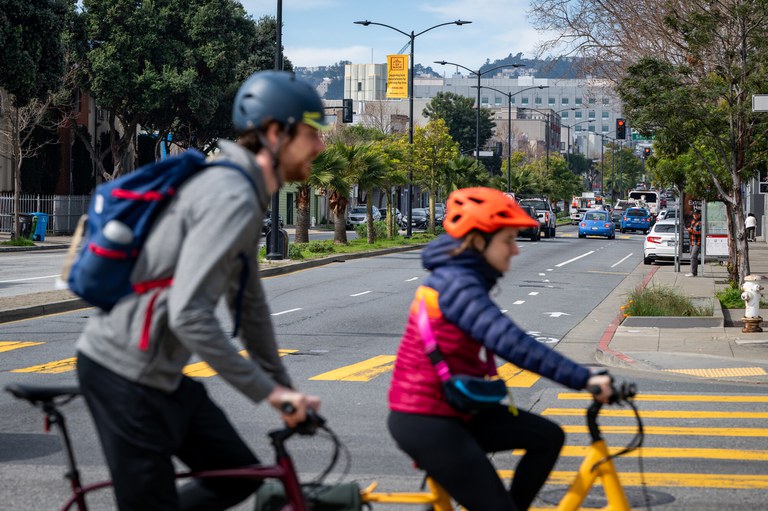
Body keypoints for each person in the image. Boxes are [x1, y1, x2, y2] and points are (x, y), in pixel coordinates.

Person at [76, 71, 325, 510]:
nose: (320, 146)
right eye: (310, 134)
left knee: (239, 476)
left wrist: (284, 390)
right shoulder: (231, 195)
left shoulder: (241, 190)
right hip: (123, 373)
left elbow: (249, 307)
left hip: (160, 375)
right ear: (274, 133)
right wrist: (268, 392)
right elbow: (189, 314)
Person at [387, 187, 613, 511]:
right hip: (428, 419)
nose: (516, 250)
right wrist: (583, 378)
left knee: (547, 438)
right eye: (508, 240)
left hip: (454, 410)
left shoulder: (460, 278)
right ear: (478, 242)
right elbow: (511, 342)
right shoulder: (457, 285)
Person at [686, 209, 702, 277]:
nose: (695, 215)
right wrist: (689, 231)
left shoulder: (701, 222)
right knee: (693, 257)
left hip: (697, 242)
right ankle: (693, 272)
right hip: (692, 241)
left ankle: (693, 272)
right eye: (694, 214)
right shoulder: (692, 222)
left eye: (696, 214)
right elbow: (691, 231)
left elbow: (701, 232)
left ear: (699, 215)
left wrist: (691, 231)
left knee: (693, 256)